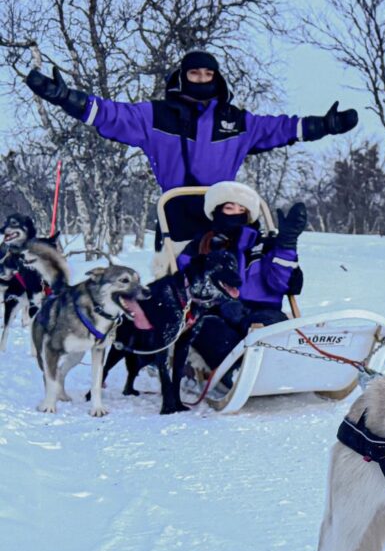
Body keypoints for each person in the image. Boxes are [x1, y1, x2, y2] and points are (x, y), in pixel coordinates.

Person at [24, 51, 358, 192]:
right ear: (182, 77)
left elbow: (282, 129)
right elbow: (111, 115)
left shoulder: (237, 121)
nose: (201, 78)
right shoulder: (155, 116)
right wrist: (66, 98)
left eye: (207, 73)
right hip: (177, 213)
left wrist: (324, 125)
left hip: (224, 213)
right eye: (194, 72)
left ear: (216, 77)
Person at [180, 181, 308, 386]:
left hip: (263, 310)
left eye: (242, 210)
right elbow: (188, 285)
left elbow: (280, 285)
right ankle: (234, 372)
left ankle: (279, 369)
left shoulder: (264, 245)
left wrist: (286, 245)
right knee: (208, 329)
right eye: (229, 208)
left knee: (268, 327)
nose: (235, 214)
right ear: (216, 212)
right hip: (215, 312)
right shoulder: (201, 245)